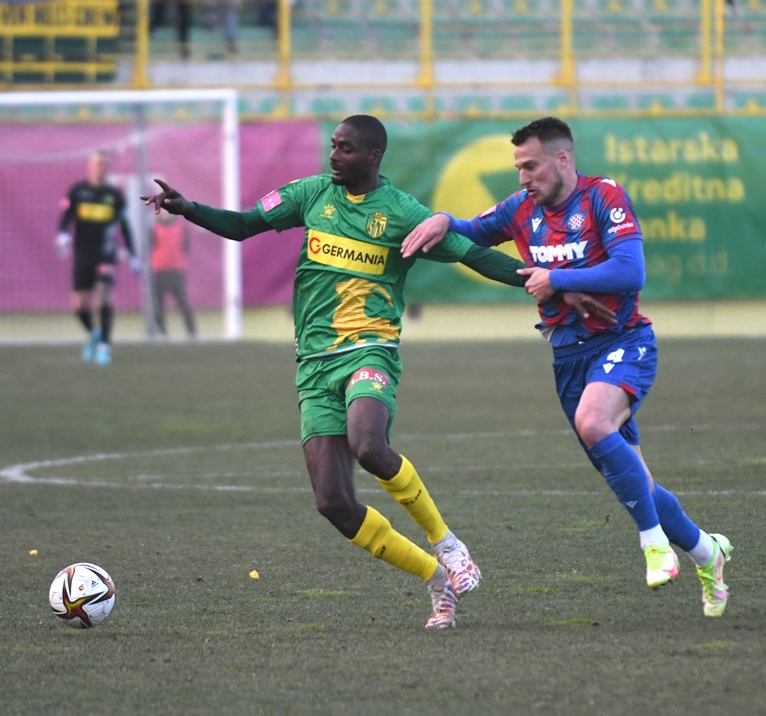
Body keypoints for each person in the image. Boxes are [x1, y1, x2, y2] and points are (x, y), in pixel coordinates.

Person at [143, 114, 611, 629]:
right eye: (332, 145)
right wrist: (188, 208)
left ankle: (447, 543)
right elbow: (243, 225)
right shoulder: (310, 195)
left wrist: (556, 282)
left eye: (345, 148)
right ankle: (436, 578)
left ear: (373, 157)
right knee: (333, 503)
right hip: (313, 364)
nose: (333, 155)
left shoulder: (401, 213)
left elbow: (475, 255)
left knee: (368, 444)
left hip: (370, 350)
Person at [401, 116, 733, 618]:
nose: (523, 177)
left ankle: (655, 545)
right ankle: (708, 552)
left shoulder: (603, 197)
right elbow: (471, 234)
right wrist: (444, 220)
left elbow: (631, 271)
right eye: (518, 167)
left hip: (623, 341)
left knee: (594, 423)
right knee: (634, 480)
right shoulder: (520, 208)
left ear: (562, 158)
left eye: (531, 166)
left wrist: (556, 278)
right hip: (568, 359)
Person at [56, 149, 140, 365]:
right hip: (83, 253)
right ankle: (95, 334)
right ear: (90, 166)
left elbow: (125, 226)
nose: (99, 168)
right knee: (79, 306)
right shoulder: (77, 192)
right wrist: (63, 235)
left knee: (105, 296)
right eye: (96, 163)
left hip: (106, 253)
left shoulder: (115, 196)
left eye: (103, 164)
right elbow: (65, 217)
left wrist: (133, 255)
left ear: (108, 168)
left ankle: (105, 347)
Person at [150, 210, 197, 338]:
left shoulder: (180, 228)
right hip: (159, 271)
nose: (165, 213)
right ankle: (162, 334)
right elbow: (150, 248)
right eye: (163, 211)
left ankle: (192, 333)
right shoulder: (153, 229)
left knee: (183, 303)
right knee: (158, 305)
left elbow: (185, 247)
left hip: (177, 271)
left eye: (167, 210)